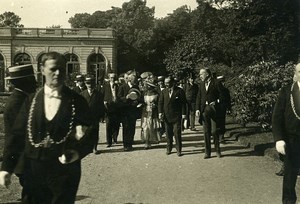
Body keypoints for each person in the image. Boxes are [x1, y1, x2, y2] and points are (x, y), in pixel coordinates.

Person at [0, 52, 94, 204]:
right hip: (33, 171)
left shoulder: (77, 101)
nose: (57, 73)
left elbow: (91, 131)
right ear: (42, 70)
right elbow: (16, 135)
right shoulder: (31, 101)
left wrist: (76, 151)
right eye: (53, 69)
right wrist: (6, 167)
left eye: (62, 70)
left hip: (64, 173)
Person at [2, 64, 37, 203]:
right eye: (31, 79)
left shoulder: (22, 99)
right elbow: (15, 137)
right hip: (26, 161)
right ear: (24, 82)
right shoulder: (17, 103)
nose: (35, 83)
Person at [272, 63, 300, 203]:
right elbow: (277, 117)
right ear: (296, 73)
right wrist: (279, 139)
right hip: (291, 139)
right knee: (290, 175)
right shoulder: (286, 91)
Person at [196, 68, 224, 159]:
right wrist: (197, 109)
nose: (200, 76)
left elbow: (222, 96)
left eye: (201, 74)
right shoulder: (201, 85)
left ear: (207, 74)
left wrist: (216, 101)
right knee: (206, 132)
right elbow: (199, 98)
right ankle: (207, 152)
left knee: (214, 131)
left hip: (214, 110)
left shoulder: (216, 83)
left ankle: (217, 150)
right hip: (204, 110)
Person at [158, 76, 186, 157]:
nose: (166, 84)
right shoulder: (163, 91)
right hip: (166, 116)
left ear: (173, 82)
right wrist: (160, 112)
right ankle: (169, 148)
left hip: (177, 116)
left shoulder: (179, 91)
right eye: (165, 83)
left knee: (177, 133)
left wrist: (184, 114)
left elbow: (183, 103)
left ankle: (178, 150)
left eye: (168, 83)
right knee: (168, 133)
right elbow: (160, 103)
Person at [81, 75, 105, 154]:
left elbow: (101, 106)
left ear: (94, 84)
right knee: (86, 133)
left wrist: (101, 116)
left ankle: (95, 148)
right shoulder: (82, 94)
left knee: (95, 132)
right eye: (88, 83)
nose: (90, 85)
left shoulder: (99, 94)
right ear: (85, 83)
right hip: (85, 118)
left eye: (91, 83)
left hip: (95, 117)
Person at [117, 73, 141, 151]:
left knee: (132, 127)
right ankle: (125, 145)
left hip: (133, 111)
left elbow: (139, 96)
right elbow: (119, 98)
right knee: (126, 128)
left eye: (135, 80)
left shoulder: (136, 87)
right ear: (129, 79)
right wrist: (126, 98)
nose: (135, 81)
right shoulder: (122, 87)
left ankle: (130, 144)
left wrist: (137, 102)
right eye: (134, 80)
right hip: (125, 111)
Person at [102, 73, 120, 147]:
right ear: (109, 78)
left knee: (116, 124)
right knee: (108, 124)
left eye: (114, 77)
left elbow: (120, 95)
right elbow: (102, 95)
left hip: (116, 107)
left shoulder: (118, 86)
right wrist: (104, 102)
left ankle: (115, 138)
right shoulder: (105, 86)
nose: (112, 79)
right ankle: (109, 142)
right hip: (108, 107)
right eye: (111, 77)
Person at [141, 82, 160, 149]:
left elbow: (159, 103)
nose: (147, 88)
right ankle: (146, 141)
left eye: (149, 86)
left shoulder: (156, 94)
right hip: (145, 112)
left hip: (153, 112)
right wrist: (142, 105)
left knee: (151, 126)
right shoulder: (144, 93)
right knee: (145, 127)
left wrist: (155, 106)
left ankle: (151, 140)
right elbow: (142, 102)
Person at [217, 75, 231, 143]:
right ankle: (217, 135)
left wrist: (229, 108)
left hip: (223, 108)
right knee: (217, 122)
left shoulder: (226, 90)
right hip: (216, 108)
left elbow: (228, 100)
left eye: (223, 81)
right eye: (221, 82)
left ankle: (221, 136)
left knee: (222, 122)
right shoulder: (215, 90)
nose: (223, 83)